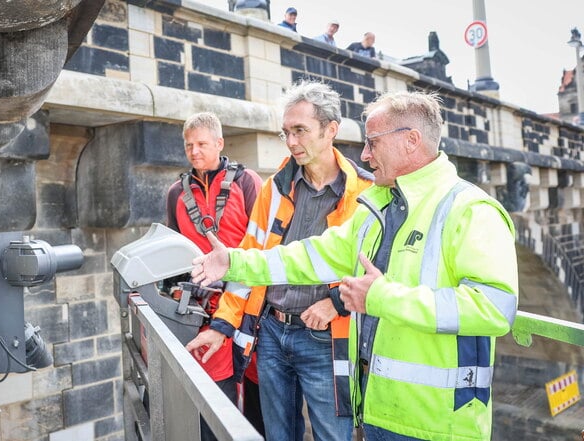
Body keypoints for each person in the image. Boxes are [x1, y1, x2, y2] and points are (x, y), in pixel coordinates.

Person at [190, 91, 519, 441]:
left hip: (439, 426)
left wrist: (380, 298)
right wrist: (233, 262)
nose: (364, 154)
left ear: (411, 141)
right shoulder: (376, 207)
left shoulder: (470, 210)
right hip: (379, 414)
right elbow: (308, 256)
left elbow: (495, 309)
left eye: (373, 142)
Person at [186, 80, 374, 441]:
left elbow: (377, 271)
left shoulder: (365, 193)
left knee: (332, 436)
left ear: (331, 130)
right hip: (271, 333)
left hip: (326, 338)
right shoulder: (275, 187)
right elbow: (251, 259)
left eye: (300, 131)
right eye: (285, 133)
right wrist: (222, 325)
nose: (290, 143)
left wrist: (336, 303)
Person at [166, 111, 262, 441]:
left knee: (257, 390)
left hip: (248, 298)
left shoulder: (246, 182)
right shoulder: (175, 193)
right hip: (202, 306)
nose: (194, 151)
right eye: (188, 145)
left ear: (219, 143)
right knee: (213, 393)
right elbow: (172, 250)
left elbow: (262, 241)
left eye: (202, 144)